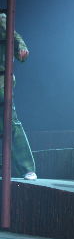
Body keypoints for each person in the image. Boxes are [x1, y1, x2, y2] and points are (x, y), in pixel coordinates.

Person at [0, 13, 36, 180]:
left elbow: (14, 37)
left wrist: (21, 48)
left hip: (1, 79)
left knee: (10, 120)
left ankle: (27, 167)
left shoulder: (1, 19)